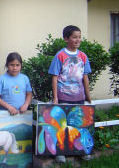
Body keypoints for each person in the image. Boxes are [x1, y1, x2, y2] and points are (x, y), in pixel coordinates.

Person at [48, 25, 92, 163]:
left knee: (77, 125)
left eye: (79, 37)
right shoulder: (60, 55)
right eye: (74, 37)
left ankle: (80, 150)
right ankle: (60, 152)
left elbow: (85, 76)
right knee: (61, 126)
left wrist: (88, 95)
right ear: (66, 38)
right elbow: (54, 77)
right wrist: (55, 98)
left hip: (79, 98)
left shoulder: (83, 56)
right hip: (63, 97)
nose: (78, 39)